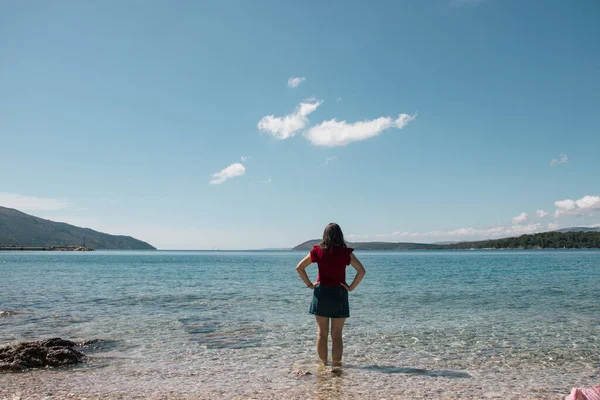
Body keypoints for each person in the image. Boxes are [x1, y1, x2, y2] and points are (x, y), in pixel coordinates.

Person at [295, 223, 366, 368]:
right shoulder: (346, 253)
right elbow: (361, 271)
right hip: (339, 293)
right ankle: (337, 367)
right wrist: (351, 287)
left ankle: (322, 365)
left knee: (322, 333)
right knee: (337, 335)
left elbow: (299, 267)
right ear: (340, 235)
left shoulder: (317, 251)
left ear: (324, 235)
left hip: (321, 292)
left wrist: (309, 284)